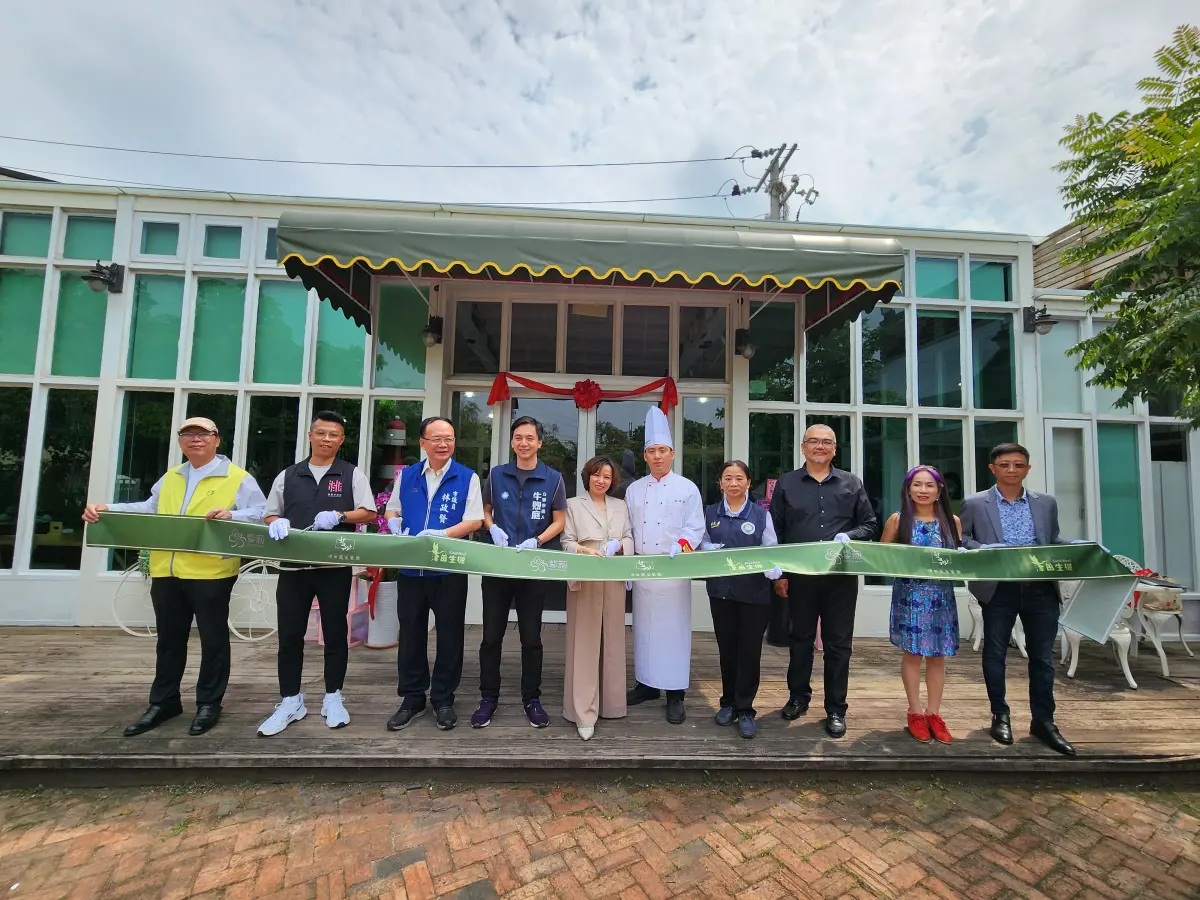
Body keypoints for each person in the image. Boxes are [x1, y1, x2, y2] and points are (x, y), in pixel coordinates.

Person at [82, 417, 266, 737]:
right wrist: (108, 509)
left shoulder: (238, 478)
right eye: (187, 434)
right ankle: (164, 701)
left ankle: (209, 703)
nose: (195, 439)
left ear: (217, 440)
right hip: (166, 570)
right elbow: (149, 509)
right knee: (168, 640)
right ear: (180, 441)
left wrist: (232, 515)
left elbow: (263, 514)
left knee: (213, 640)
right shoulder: (172, 476)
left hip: (210, 572)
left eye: (203, 433)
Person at [257, 411, 378, 736]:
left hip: (333, 567)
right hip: (293, 568)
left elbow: (369, 512)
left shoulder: (350, 474)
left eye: (333, 434)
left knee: (336, 634)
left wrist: (339, 516)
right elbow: (270, 513)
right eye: (321, 433)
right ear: (310, 435)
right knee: (290, 635)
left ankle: (333, 697)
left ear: (341, 440)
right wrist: (275, 522)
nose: (327, 439)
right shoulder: (289, 475)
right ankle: (290, 700)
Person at [960, 442, 1075, 757]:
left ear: (1028, 468)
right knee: (995, 653)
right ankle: (1000, 715)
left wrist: (1081, 548)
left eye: (1018, 464)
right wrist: (981, 549)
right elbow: (962, 538)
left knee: (1043, 657)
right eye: (1005, 464)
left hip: (1041, 588)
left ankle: (1044, 721)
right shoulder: (975, 503)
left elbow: (1052, 540)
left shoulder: (1046, 503)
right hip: (998, 588)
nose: (1012, 470)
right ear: (993, 468)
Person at [770, 424, 878, 738]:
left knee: (838, 645)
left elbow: (870, 524)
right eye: (814, 441)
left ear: (834, 449)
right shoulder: (787, 483)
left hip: (839, 578)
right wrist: (780, 574)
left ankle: (836, 709)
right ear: (803, 447)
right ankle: (798, 697)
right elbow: (775, 530)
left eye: (826, 442)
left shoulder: (851, 483)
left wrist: (850, 535)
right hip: (800, 577)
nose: (820, 446)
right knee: (800, 639)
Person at [382, 417, 484, 732]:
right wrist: (393, 521)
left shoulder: (467, 477)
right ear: (422, 442)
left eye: (449, 438)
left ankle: (443, 698)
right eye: (436, 438)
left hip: (449, 568)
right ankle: (412, 698)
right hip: (411, 569)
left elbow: (475, 520)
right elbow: (392, 508)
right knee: (410, 634)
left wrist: (442, 533)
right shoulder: (407, 475)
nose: (443, 444)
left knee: (450, 635)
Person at [473, 416, 567, 729]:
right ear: (512, 442)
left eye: (529, 438)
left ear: (539, 442)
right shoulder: (497, 474)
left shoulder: (552, 478)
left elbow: (560, 520)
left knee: (531, 637)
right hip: (498, 565)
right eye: (518, 438)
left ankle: (532, 699)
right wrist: (491, 527)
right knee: (491, 636)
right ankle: (488, 698)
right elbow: (485, 510)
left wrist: (537, 541)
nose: (523, 443)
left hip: (532, 566)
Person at [624, 406, 705, 724]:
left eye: (662, 450)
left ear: (672, 453)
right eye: (651, 451)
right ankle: (646, 684)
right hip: (643, 571)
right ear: (645, 456)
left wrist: (681, 546)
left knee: (673, 633)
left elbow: (695, 528)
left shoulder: (687, 488)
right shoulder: (634, 490)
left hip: (673, 572)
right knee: (644, 630)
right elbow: (627, 528)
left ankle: (675, 694)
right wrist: (626, 560)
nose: (657, 456)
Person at [699, 461, 783, 740]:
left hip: (753, 595)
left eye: (739, 478)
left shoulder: (761, 515)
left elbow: (771, 549)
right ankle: (728, 703)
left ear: (748, 482)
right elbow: (700, 542)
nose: (733, 483)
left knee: (749, 651)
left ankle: (745, 709)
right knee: (727, 649)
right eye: (727, 478)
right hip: (721, 592)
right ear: (720, 483)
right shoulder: (710, 512)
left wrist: (774, 569)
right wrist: (707, 548)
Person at [880, 465, 962, 745]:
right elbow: (881, 557)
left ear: (940, 490)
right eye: (917, 484)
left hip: (941, 596)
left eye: (929, 485)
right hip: (910, 596)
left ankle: (934, 714)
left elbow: (957, 560)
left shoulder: (952, 521)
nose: (923, 490)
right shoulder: (897, 520)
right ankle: (915, 712)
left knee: (938, 656)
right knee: (913, 654)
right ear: (908, 489)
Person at [561, 456, 634, 740]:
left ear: (613, 481)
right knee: (585, 644)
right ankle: (583, 712)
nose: (601, 480)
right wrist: (583, 551)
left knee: (613, 642)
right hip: (586, 577)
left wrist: (620, 545)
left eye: (606, 476)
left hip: (613, 577)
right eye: (596, 475)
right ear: (587, 477)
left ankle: (612, 705)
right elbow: (566, 541)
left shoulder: (620, 505)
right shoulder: (572, 504)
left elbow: (629, 537)